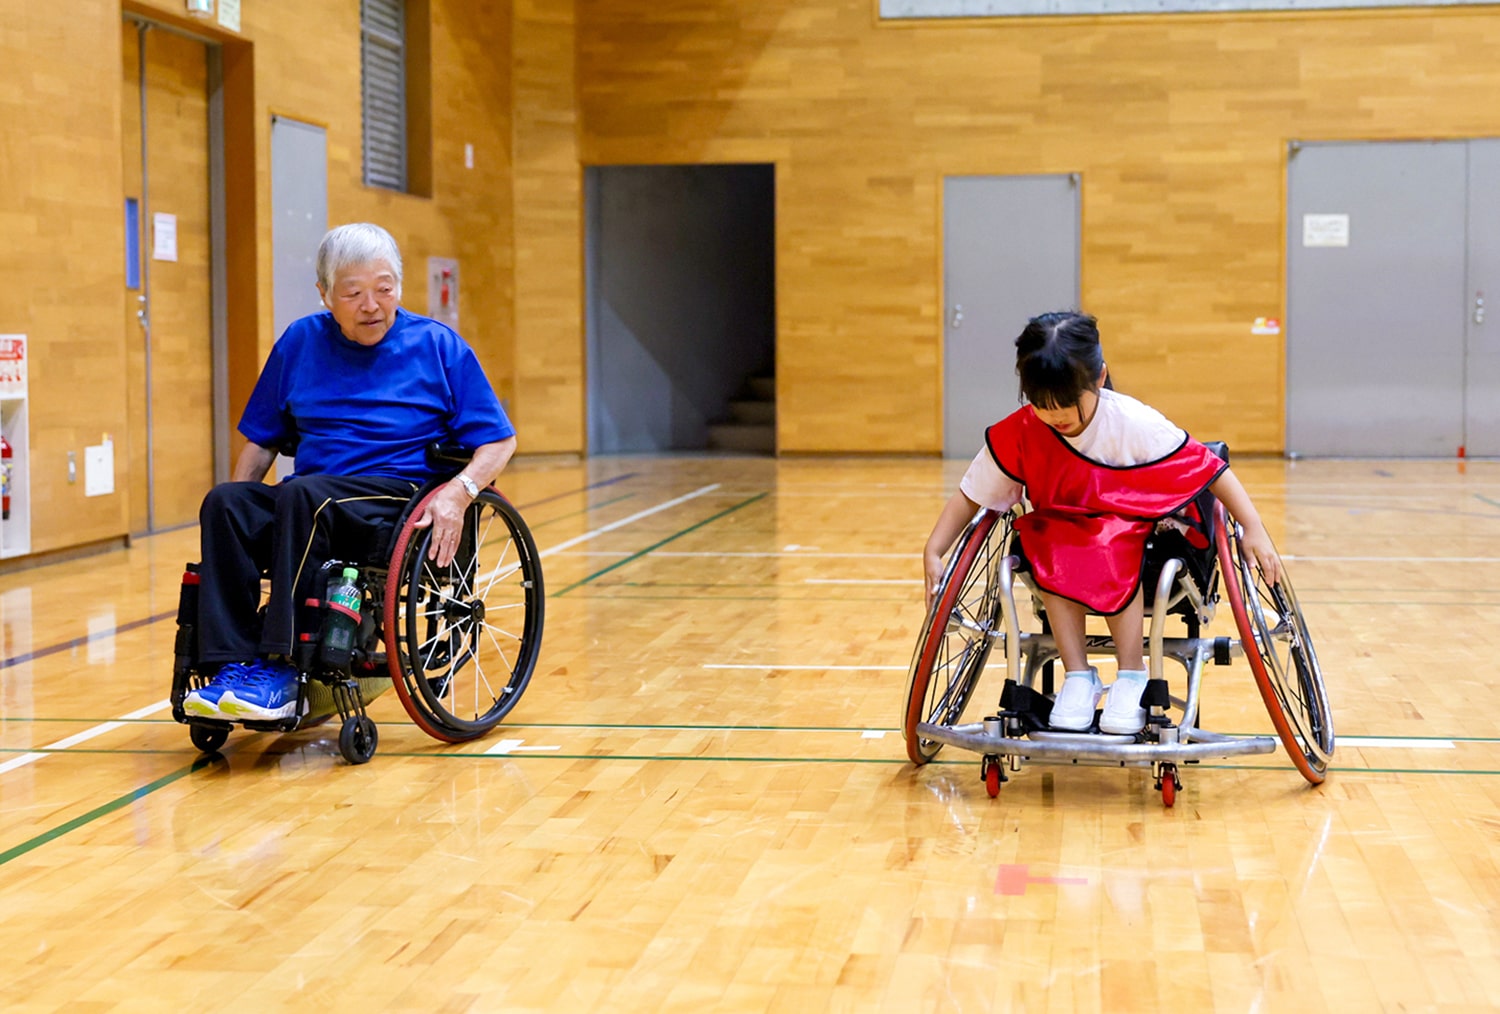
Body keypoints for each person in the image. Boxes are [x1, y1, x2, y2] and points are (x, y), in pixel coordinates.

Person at [183, 223, 517, 722]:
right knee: (226, 503)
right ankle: (231, 665)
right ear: (324, 294)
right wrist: (246, 513)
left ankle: (280, 667)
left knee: (303, 496)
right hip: (314, 498)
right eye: (353, 293)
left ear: (399, 286)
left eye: (384, 289)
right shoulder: (300, 342)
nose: (372, 305)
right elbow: (262, 440)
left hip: (395, 496)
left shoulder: (437, 346)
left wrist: (459, 492)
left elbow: (500, 440)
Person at [922, 311, 1279, 735]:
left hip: (1130, 533)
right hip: (1060, 533)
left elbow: (1210, 469)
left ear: (1100, 378)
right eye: (1042, 404)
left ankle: (1132, 674)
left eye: (1065, 403)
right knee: (1043, 540)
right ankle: (1078, 675)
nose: (1055, 415)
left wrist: (1253, 527)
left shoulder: (1133, 423)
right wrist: (934, 548)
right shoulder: (1022, 430)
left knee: (1107, 541)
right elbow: (972, 494)